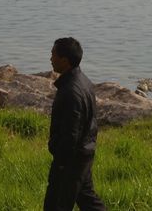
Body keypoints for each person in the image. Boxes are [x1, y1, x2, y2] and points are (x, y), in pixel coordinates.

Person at [44, 37, 106, 211]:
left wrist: (61, 160)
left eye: (53, 54)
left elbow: (71, 133)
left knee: (56, 204)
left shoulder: (71, 92)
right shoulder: (83, 81)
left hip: (71, 160)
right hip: (83, 154)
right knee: (88, 200)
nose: (50, 58)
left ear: (64, 60)